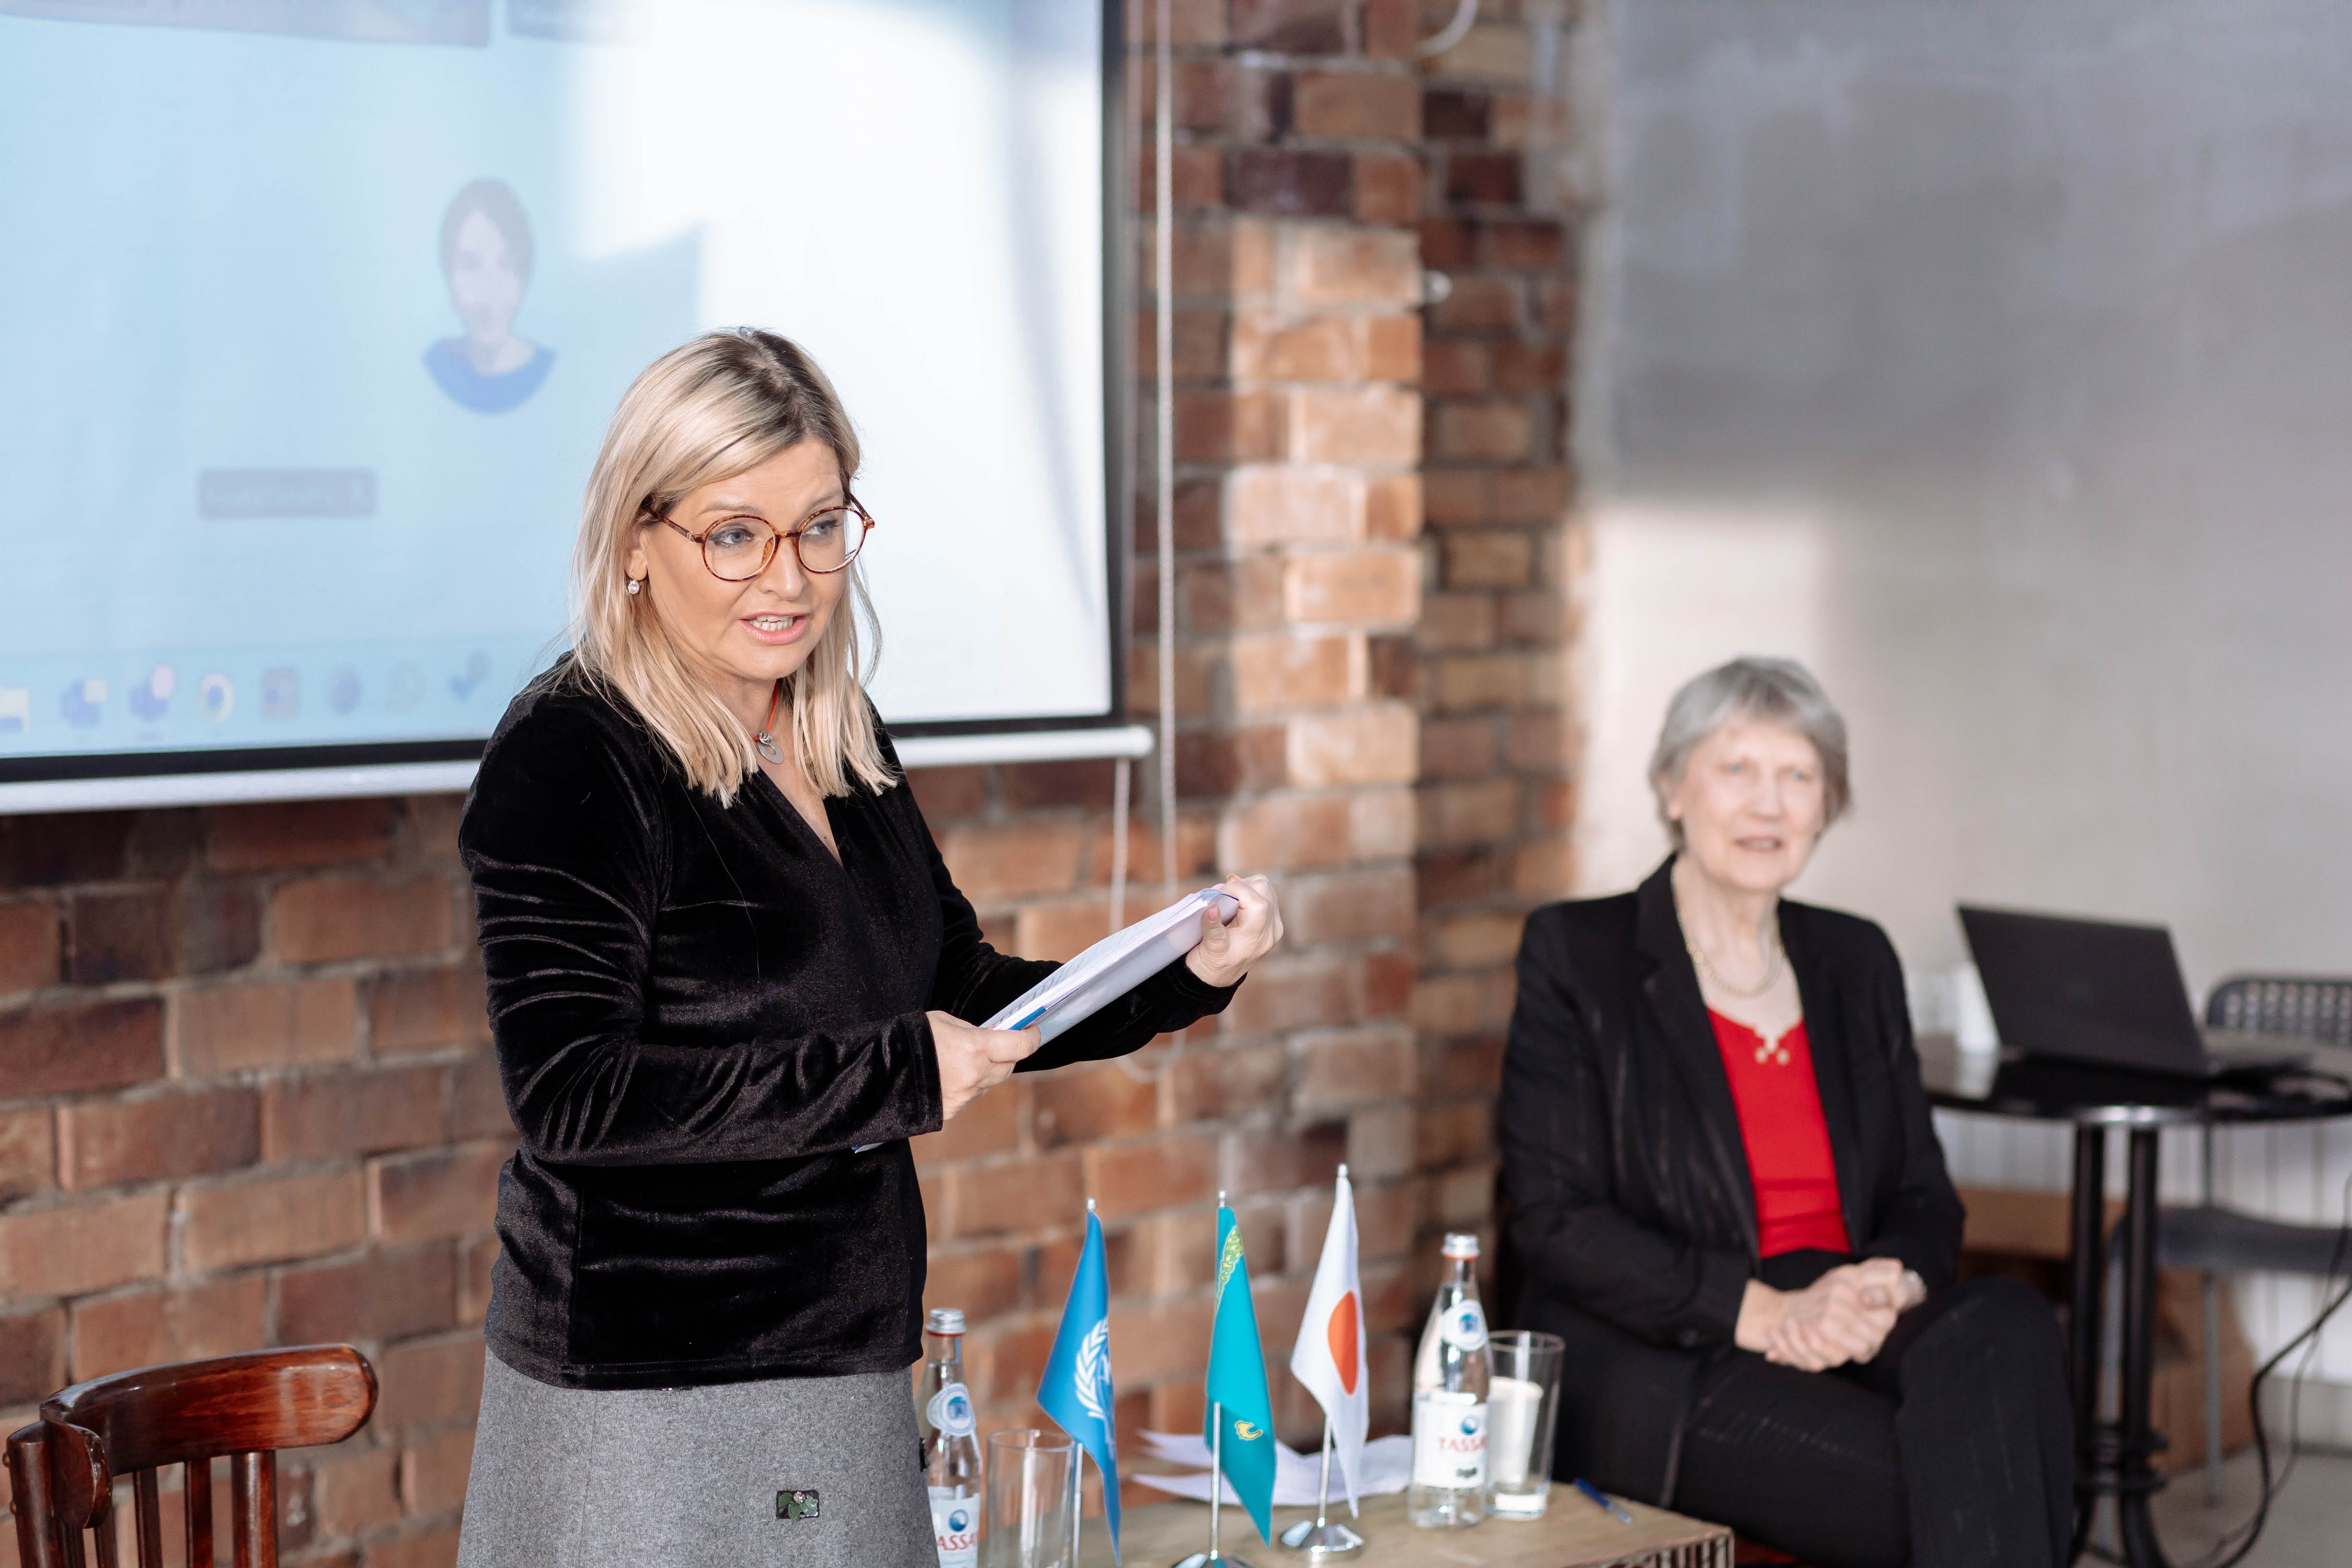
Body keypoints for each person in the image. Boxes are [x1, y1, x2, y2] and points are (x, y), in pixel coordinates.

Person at [452, 328, 1283, 1566]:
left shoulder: (836, 732)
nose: (788, 576)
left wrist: (1182, 971)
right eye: (735, 533)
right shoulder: (571, 753)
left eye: (821, 524)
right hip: (651, 1387)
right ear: (637, 541)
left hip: (840, 1345)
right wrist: (888, 1076)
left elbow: (960, 992)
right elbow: (574, 1096)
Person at [1497, 657, 2072, 1568]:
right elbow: (1554, 1222)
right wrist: (1759, 1311)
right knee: (1976, 1476)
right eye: (1736, 770)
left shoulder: (1854, 958)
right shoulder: (1580, 953)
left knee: (2007, 1322)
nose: (1767, 805)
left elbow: (1925, 1197)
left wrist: (1883, 1284)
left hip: (1842, 1311)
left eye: (1797, 776)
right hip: (1661, 1346)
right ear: (1670, 788)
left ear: (1825, 803)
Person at [424, 178, 554, 413]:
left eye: (505, 264)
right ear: (448, 274)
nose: (488, 288)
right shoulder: (434, 363)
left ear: (524, 274)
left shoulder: (550, 368)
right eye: (470, 265)